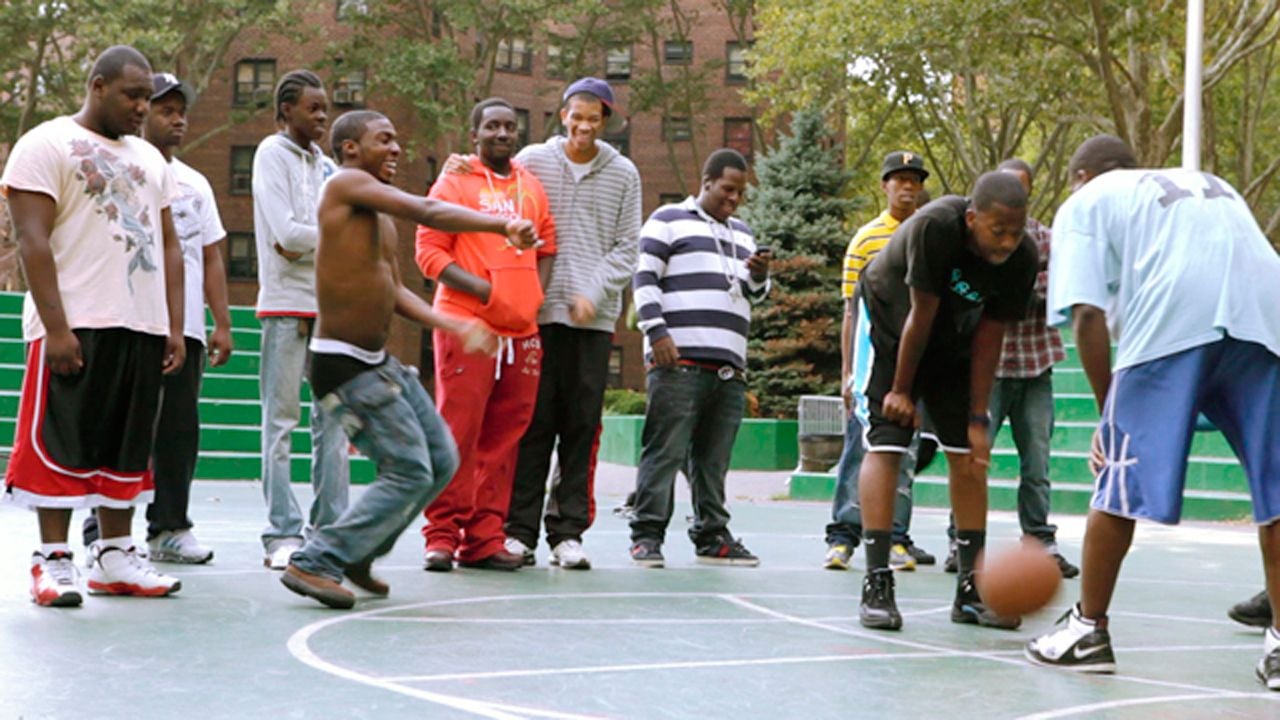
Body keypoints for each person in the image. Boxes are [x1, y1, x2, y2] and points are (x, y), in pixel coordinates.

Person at [1023, 135, 1280, 688]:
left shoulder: (1085, 200)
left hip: (1175, 314)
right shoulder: (1207, 184)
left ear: (1081, 175)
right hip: (1268, 313)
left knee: (1119, 477)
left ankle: (1087, 629)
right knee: (1278, 488)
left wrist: (1106, 414)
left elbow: (1088, 315)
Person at [279, 110, 536, 609]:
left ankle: (359, 552)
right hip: (342, 365)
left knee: (441, 459)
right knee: (410, 470)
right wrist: (501, 223)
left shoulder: (377, 221)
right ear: (351, 148)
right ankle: (315, 560)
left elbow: (394, 290)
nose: (396, 149)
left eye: (398, 140)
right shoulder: (345, 186)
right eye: (384, 140)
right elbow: (430, 212)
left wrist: (453, 323)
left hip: (376, 362)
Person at [2, 46, 186, 605]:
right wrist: (56, 328)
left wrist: (174, 326)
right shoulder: (45, 143)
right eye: (132, 95)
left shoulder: (152, 160)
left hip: (142, 324)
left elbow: (170, 245)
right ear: (98, 86)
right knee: (61, 444)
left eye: (146, 98)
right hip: (77, 320)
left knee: (127, 447)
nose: (141, 107)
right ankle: (53, 561)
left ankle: (114, 557)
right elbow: (30, 239)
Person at [852, 171, 1037, 631]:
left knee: (970, 458)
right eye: (998, 231)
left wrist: (979, 416)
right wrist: (900, 390)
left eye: (1017, 232)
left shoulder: (1022, 257)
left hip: (952, 339)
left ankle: (972, 591)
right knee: (889, 445)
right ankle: (877, 580)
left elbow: (991, 335)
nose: (1009, 242)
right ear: (972, 218)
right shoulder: (936, 226)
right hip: (891, 326)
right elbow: (920, 313)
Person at [503, 77, 642, 570]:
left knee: (580, 426)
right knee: (533, 424)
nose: (583, 126)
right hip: (537, 314)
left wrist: (594, 291)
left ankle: (567, 534)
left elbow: (629, 248)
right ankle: (518, 532)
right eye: (575, 116)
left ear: (606, 122)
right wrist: (461, 164)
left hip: (592, 320)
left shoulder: (624, 173)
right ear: (563, 115)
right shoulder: (533, 162)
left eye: (594, 118)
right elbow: (495, 191)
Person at [415, 98, 557, 572]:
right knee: (459, 433)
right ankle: (440, 535)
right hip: (467, 325)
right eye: (492, 126)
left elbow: (548, 245)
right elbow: (429, 255)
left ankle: (483, 539)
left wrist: (533, 296)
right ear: (474, 133)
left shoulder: (532, 186)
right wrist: (487, 293)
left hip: (522, 330)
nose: (502, 133)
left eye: (509, 127)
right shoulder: (453, 181)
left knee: (504, 438)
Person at [626, 149, 770, 568]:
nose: (734, 199)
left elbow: (753, 293)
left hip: (728, 366)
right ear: (706, 181)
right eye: (727, 189)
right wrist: (657, 334)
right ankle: (647, 535)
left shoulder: (742, 233)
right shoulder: (668, 219)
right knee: (665, 450)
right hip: (678, 359)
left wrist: (758, 274)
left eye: (740, 192)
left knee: (713, 458)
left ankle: (712, 535)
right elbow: (644, 277)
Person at [940, 159, 1079, 579]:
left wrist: (1019, 284)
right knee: (971, 459)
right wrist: (1019, 284)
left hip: (1036, 365)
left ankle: (1040, 538)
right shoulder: (971, 237)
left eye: (1019, 188)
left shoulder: (1045, 239)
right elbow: (981, 293)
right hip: (991, 369)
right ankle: (958, 539)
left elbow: (1061, 288)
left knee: (1037, 462)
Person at [253, 69, 350, 570]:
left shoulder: (328, 167)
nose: (321, 117)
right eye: (313, 108)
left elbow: (333, 234)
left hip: (329, 308)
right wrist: (326, 237)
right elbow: (287, 235)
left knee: (333, 423)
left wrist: (317, 238)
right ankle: (281, 533)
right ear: (286, 109)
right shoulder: (270, 154)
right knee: (281, 422)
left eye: (326, 109)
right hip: (285, 308)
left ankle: (330, 530)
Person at [140, 72, 234, 563]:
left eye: (181, 112)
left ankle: (169, 529)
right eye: (165, 110)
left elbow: (212, 255)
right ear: (141, 113)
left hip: (188, 329)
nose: (177, 120)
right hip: (134, 322)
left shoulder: (195, 183)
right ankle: (100, 530)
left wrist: (221, 321)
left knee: (179, 432)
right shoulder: (126, 171)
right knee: (125, 427)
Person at [826, 151, 933, 573]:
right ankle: (843, 536)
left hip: (918, 364)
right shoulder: (866, 240)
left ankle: (896, 537)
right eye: (898, 179)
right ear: (884, 185)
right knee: (860, 450)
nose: (907, 187)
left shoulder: (929, 235)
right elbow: (850, 312)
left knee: (904, 455)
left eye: (914, 180)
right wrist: (848, 373)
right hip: (874, 362)